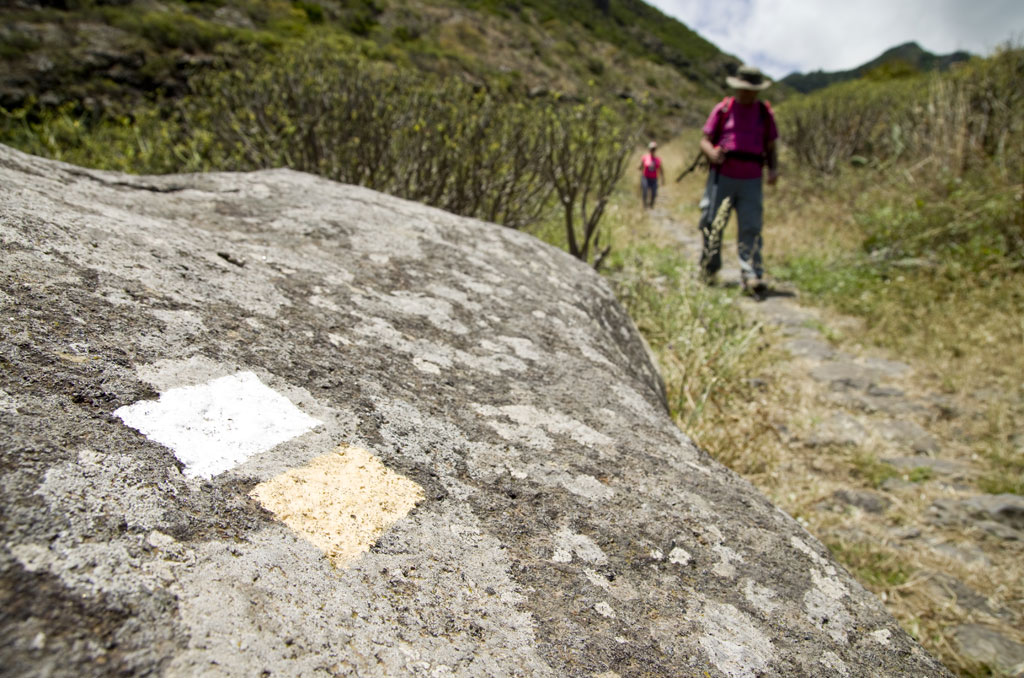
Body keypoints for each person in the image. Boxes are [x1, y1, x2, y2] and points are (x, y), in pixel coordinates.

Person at [697, 64, 779, 298]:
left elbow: (771, 146)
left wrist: (773, 169)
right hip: (722, 176)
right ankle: (709, 269)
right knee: (711, 222)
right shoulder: (723, 109)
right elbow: (704, 140)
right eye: (743, 89)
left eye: (752, 90)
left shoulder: (764, 113)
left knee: (751, 226)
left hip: (752, 178)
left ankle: (751, 274)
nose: (747, 93)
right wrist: (711, 152)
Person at [639, 141, 665, 209]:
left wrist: (663, 179)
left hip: (654, 179)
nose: (652, 150)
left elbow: (661, 169)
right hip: (645, 178)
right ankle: (644, 205)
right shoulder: (645, 157)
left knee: (654, 193)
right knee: (644, 191)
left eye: (654, 149)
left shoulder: (658, 160)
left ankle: (651, 205)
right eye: (651, 149)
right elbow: (641, 166)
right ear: (649, 149)